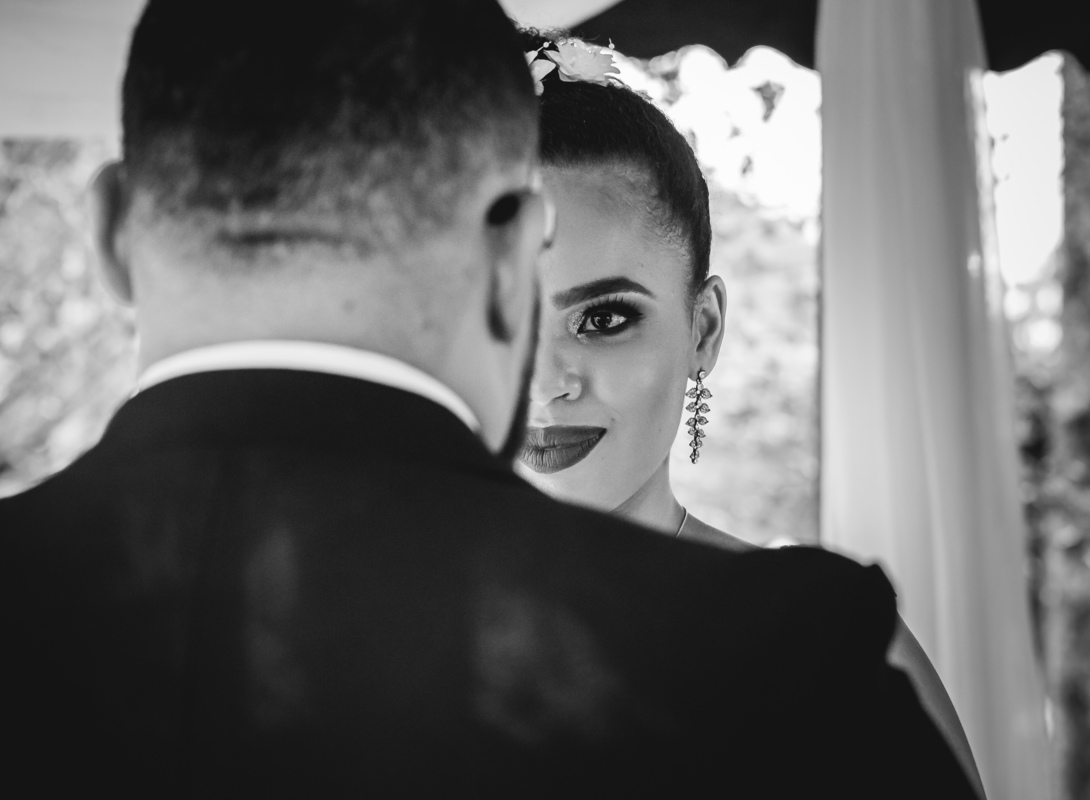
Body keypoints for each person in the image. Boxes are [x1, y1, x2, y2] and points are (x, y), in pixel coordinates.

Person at [0, 1, 976, 795]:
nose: (550, 376)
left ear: (113, 229)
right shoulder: (790, 668)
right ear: (506, 265)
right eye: (541, 312)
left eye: (604, 316)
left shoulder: (778, 653)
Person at [516, 31, 984, 796]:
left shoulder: (824, 648)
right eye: (506, 317)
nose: (546, 383)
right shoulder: (354, 630)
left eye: (602, 319)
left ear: (703, 330)